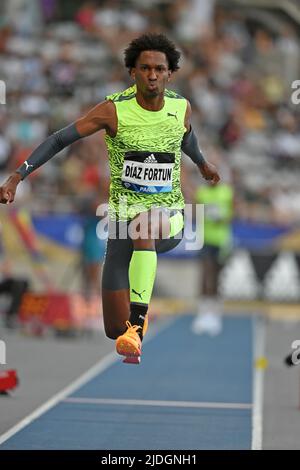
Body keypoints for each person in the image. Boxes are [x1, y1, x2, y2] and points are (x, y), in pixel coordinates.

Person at [0, 33, 220, 363]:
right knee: (114, 328)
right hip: (120, 222)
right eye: (144, 68)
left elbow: (186, 137)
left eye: (159, 69)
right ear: (132, 72)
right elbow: (60, 139)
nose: (152, 75)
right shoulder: (113, 110)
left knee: (144, 229)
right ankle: (128, 332)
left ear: (170, 73)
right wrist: (18, 175)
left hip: (167, 216)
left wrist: (202, 163)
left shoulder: (180, 107)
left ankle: (139, 326)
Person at [192, 175, 234, 336]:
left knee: (216, 277)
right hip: (205, 238)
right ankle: (203, 313)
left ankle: (215, 314)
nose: (211, 180)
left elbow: (233, 213)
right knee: (205, 273)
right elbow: (196, 213)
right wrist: (205, 215)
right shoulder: (201, 192)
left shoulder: (227, 192)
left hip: (222, 240)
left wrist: (222, 218)